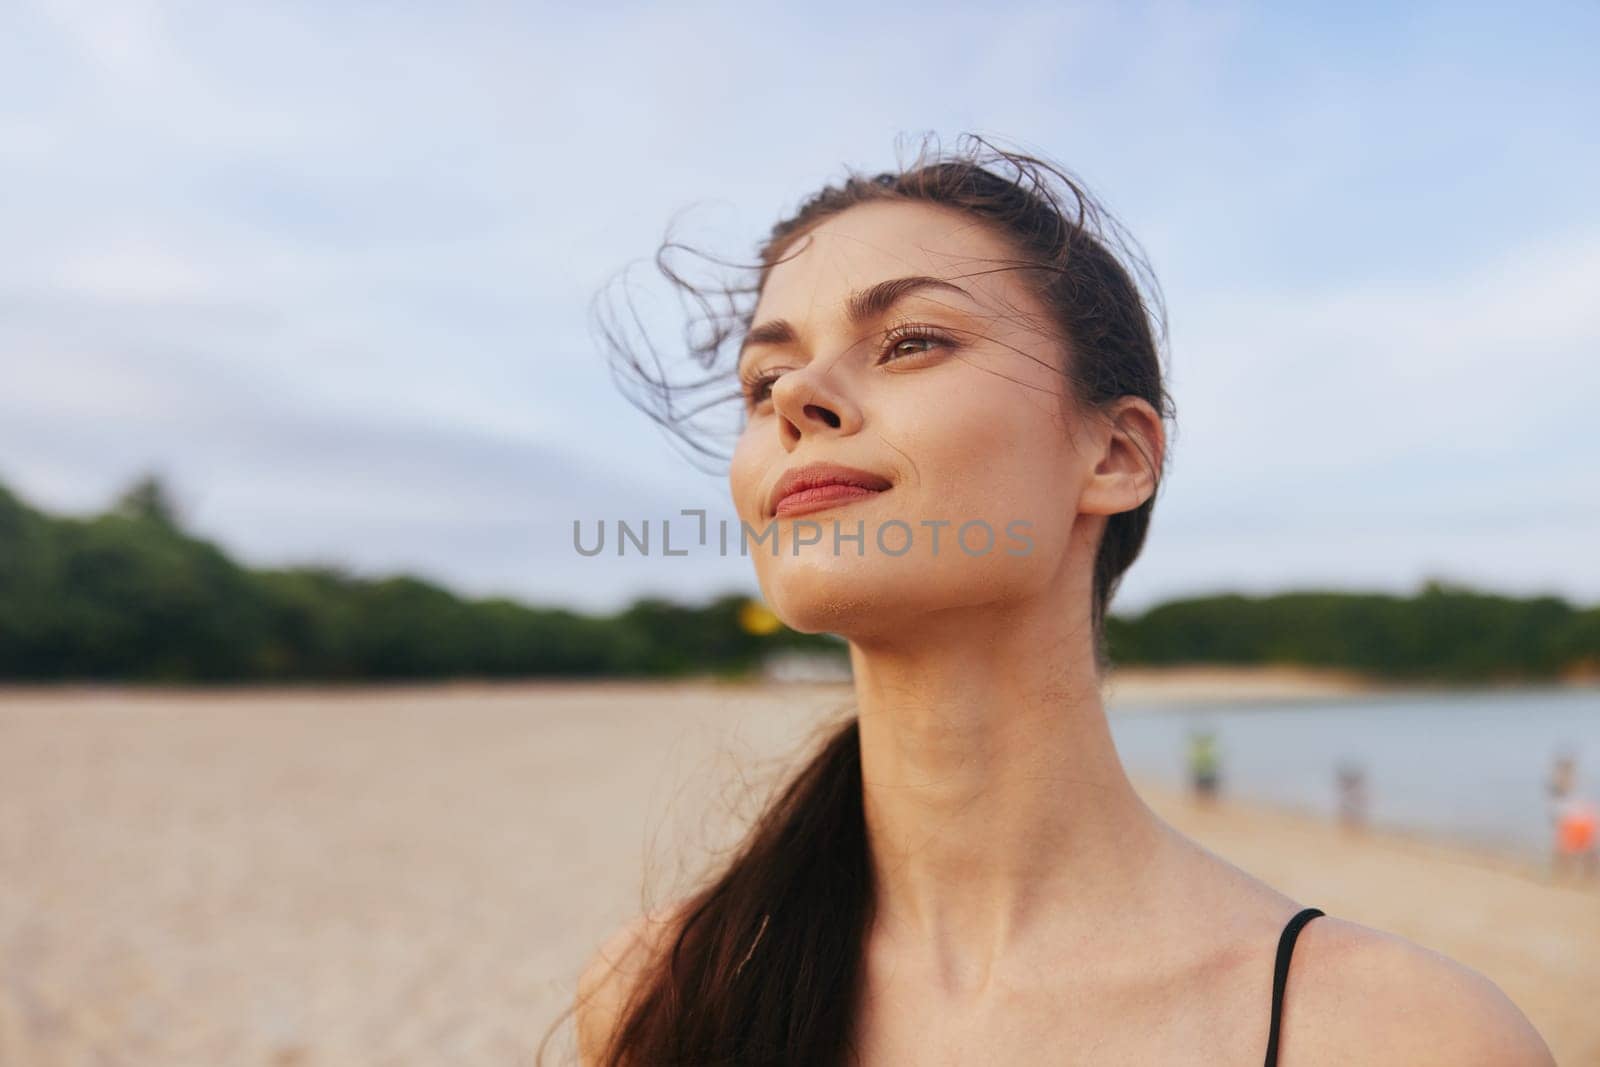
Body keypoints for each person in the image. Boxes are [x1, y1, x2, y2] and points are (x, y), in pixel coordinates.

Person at [560, 135, 1554, 1066]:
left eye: (907, 341)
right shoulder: (666, 992)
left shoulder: (1399, 1035)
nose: (793, 398)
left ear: (1115, 454)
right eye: (763, 374)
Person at [1187, 726, 1222, 805]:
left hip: (1204, 774)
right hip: (1203, 774)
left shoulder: (1199, 749)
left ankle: (1205, 804)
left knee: (1205, 792)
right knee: (1204, 792)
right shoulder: (1205, 748)